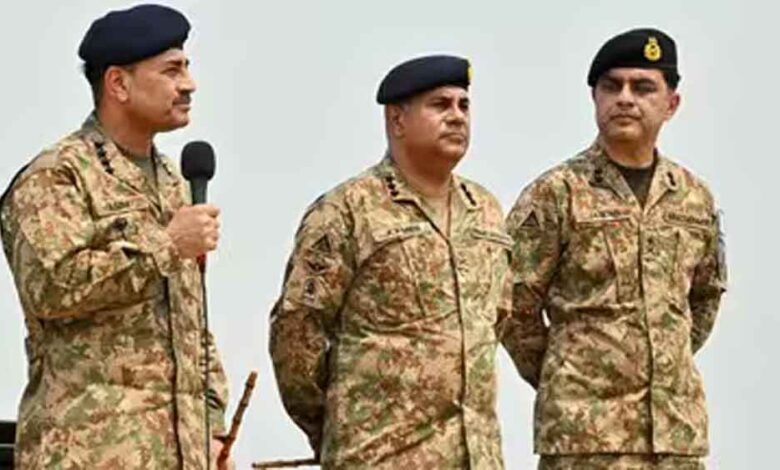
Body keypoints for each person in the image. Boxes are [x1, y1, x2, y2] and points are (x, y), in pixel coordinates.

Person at [0, 5, 230, 468]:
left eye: (187, 67)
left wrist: (212, 423)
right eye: (171, 70)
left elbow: (190, 319)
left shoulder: (173, 180)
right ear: (118, 84)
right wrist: (168, 245)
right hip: (91, 452)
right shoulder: (57, 177)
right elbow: (53, 287)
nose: (189, 84)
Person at [270, 55, 514, 469]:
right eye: (440, 105)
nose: (457, 117)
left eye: (464, 106)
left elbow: (496, 320)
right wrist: (340, 425)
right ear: (397, 120)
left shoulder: (485, 211)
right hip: (380, 455)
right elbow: (297, 334)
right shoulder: (348, 210)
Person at [503, 28, 728, 470]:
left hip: (675, 438)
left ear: (671, 104)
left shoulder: (693, 198)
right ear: (595, 98)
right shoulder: (557, 193)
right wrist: (567, 372)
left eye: (642, 88)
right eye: (612, 86)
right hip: (583, 439)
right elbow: (512, 303)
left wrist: (660, 363)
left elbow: (704, 299)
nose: (625, 98)